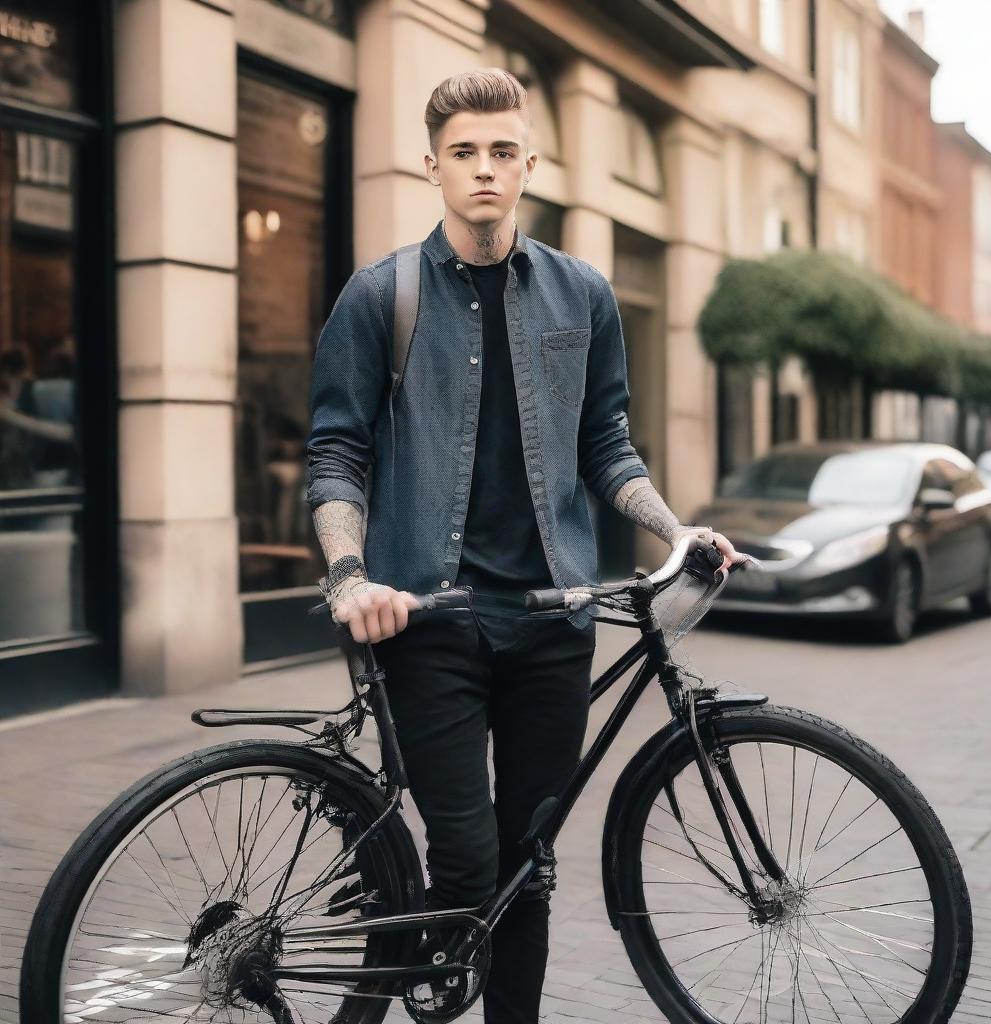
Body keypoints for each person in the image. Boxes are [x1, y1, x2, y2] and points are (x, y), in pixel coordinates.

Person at [305, 69, 737, 1023]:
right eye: (465, 153)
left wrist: (676, 528)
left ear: (530, 163)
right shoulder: (381, 297)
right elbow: (337, 452)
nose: (486, 170)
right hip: (429, 622)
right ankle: (389, 931)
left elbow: (606, 445)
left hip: (553, 624)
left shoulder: (582, 295)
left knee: (526, 867)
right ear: (433, 167)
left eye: (503, 152)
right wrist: (349, 577)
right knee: (466, 857)